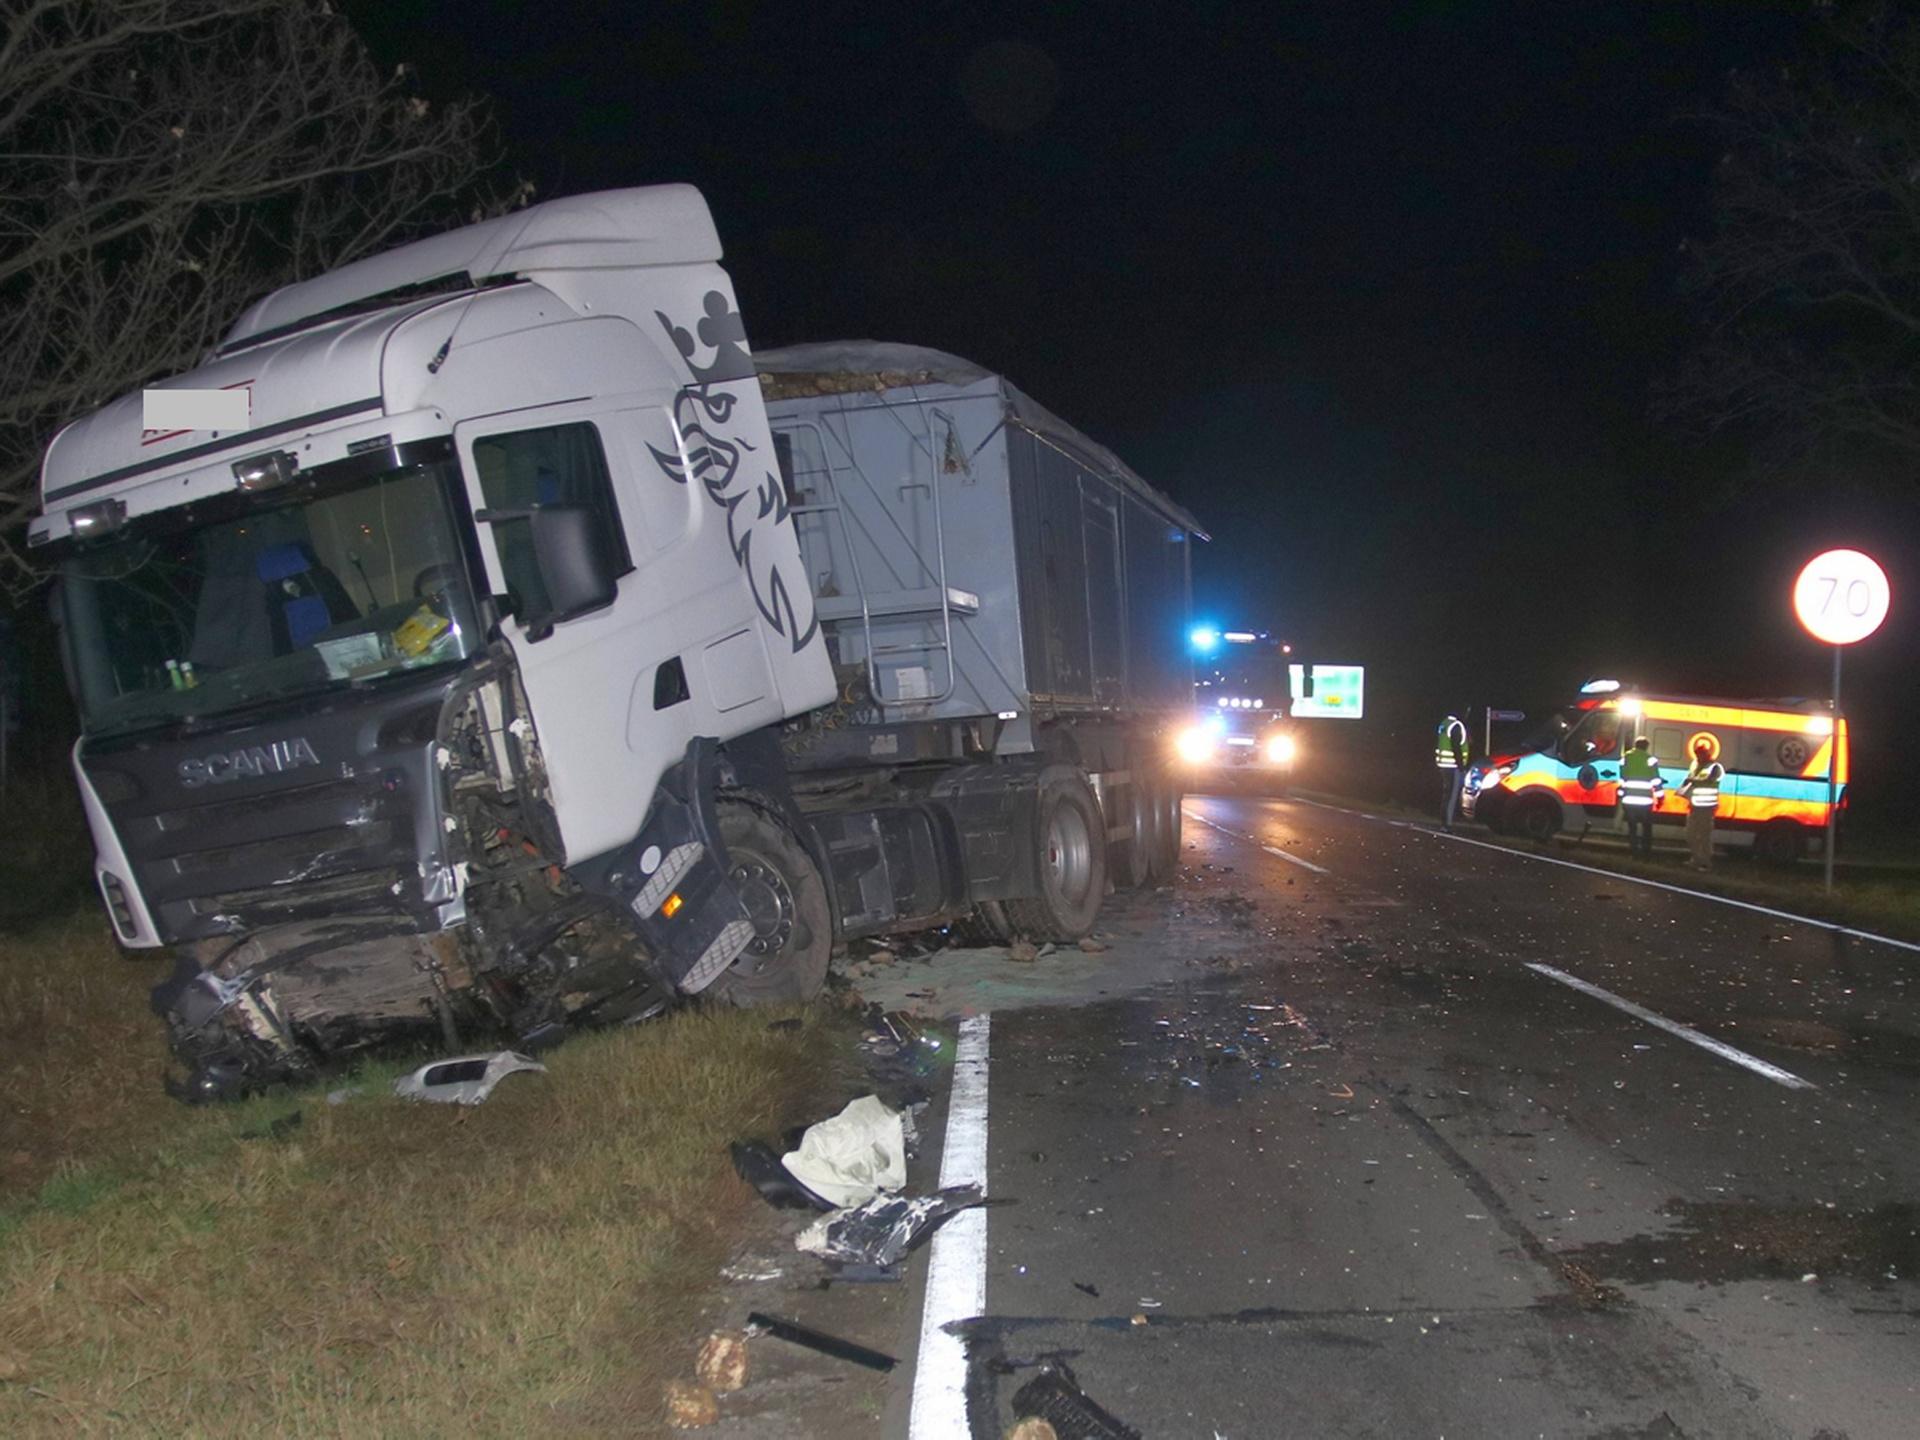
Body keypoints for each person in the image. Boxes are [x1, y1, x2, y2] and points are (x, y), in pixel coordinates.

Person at [1677, 738, 1725, 871]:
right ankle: (1696, 859)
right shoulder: (1695, 766)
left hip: (1707, 807)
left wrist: (1691, 781)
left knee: (1704, 835)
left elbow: (1709, 781)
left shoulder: (1715, 767)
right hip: (1694, 806)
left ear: (1706, 754)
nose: (1698, 757)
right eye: (1697, 755)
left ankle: (1705, 862)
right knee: (1690, 834)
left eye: (1700, 754)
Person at [1618, 735, 1663, 859]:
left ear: (1635, 745)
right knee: (1646, 827)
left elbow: (1622, 779)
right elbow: (1656, 780)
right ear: (1646, 747)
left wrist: (1621, 795)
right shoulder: (1650, 760)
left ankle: (1633, 852)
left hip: (1629, 800)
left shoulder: (1625, 758)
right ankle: (1646, 852)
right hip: (1645, 801)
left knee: (1632, 828)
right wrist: (1660, 797)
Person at [1434, 713, 1469, 832]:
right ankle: (1447, 825)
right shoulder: (1456, 725)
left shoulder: (1444, 723)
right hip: (1453, 766)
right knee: (1451, 797)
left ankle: (1444, 822)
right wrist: (1461, 766)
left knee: (1446, 795)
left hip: (1443, 765)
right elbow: (1456, 747)